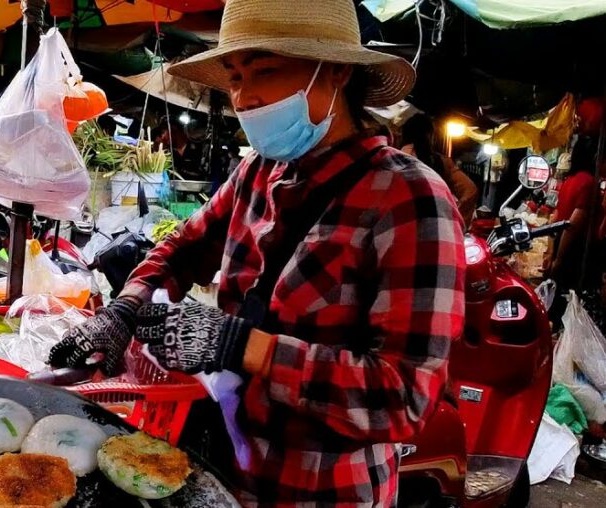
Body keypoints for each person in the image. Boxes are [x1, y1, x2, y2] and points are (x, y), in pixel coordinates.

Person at [48, 0, 465, 504]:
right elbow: (183, 250)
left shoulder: (410, 199)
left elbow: (404, 399)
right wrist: (124, 309)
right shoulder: (257, 173)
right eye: (235, 77)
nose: (243, 99)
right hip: (218, 471)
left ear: (333, 72)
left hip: (322, 492)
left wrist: (242, 346)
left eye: (263, 72)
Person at [400, 114, 479, 229]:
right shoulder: (441, 161)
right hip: (437, 229)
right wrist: (456, 224)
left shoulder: (394, 158)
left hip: (403, 227)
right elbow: (470, 191)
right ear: (429, 135)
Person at [547, 137, 603, 291]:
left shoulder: (568, 181)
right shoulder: (589, 182)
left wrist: (551, 252)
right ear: (594, 156)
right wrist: (558, 259)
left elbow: (555, 218)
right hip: (574, 250)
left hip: (562, 243)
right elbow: (572, 226)